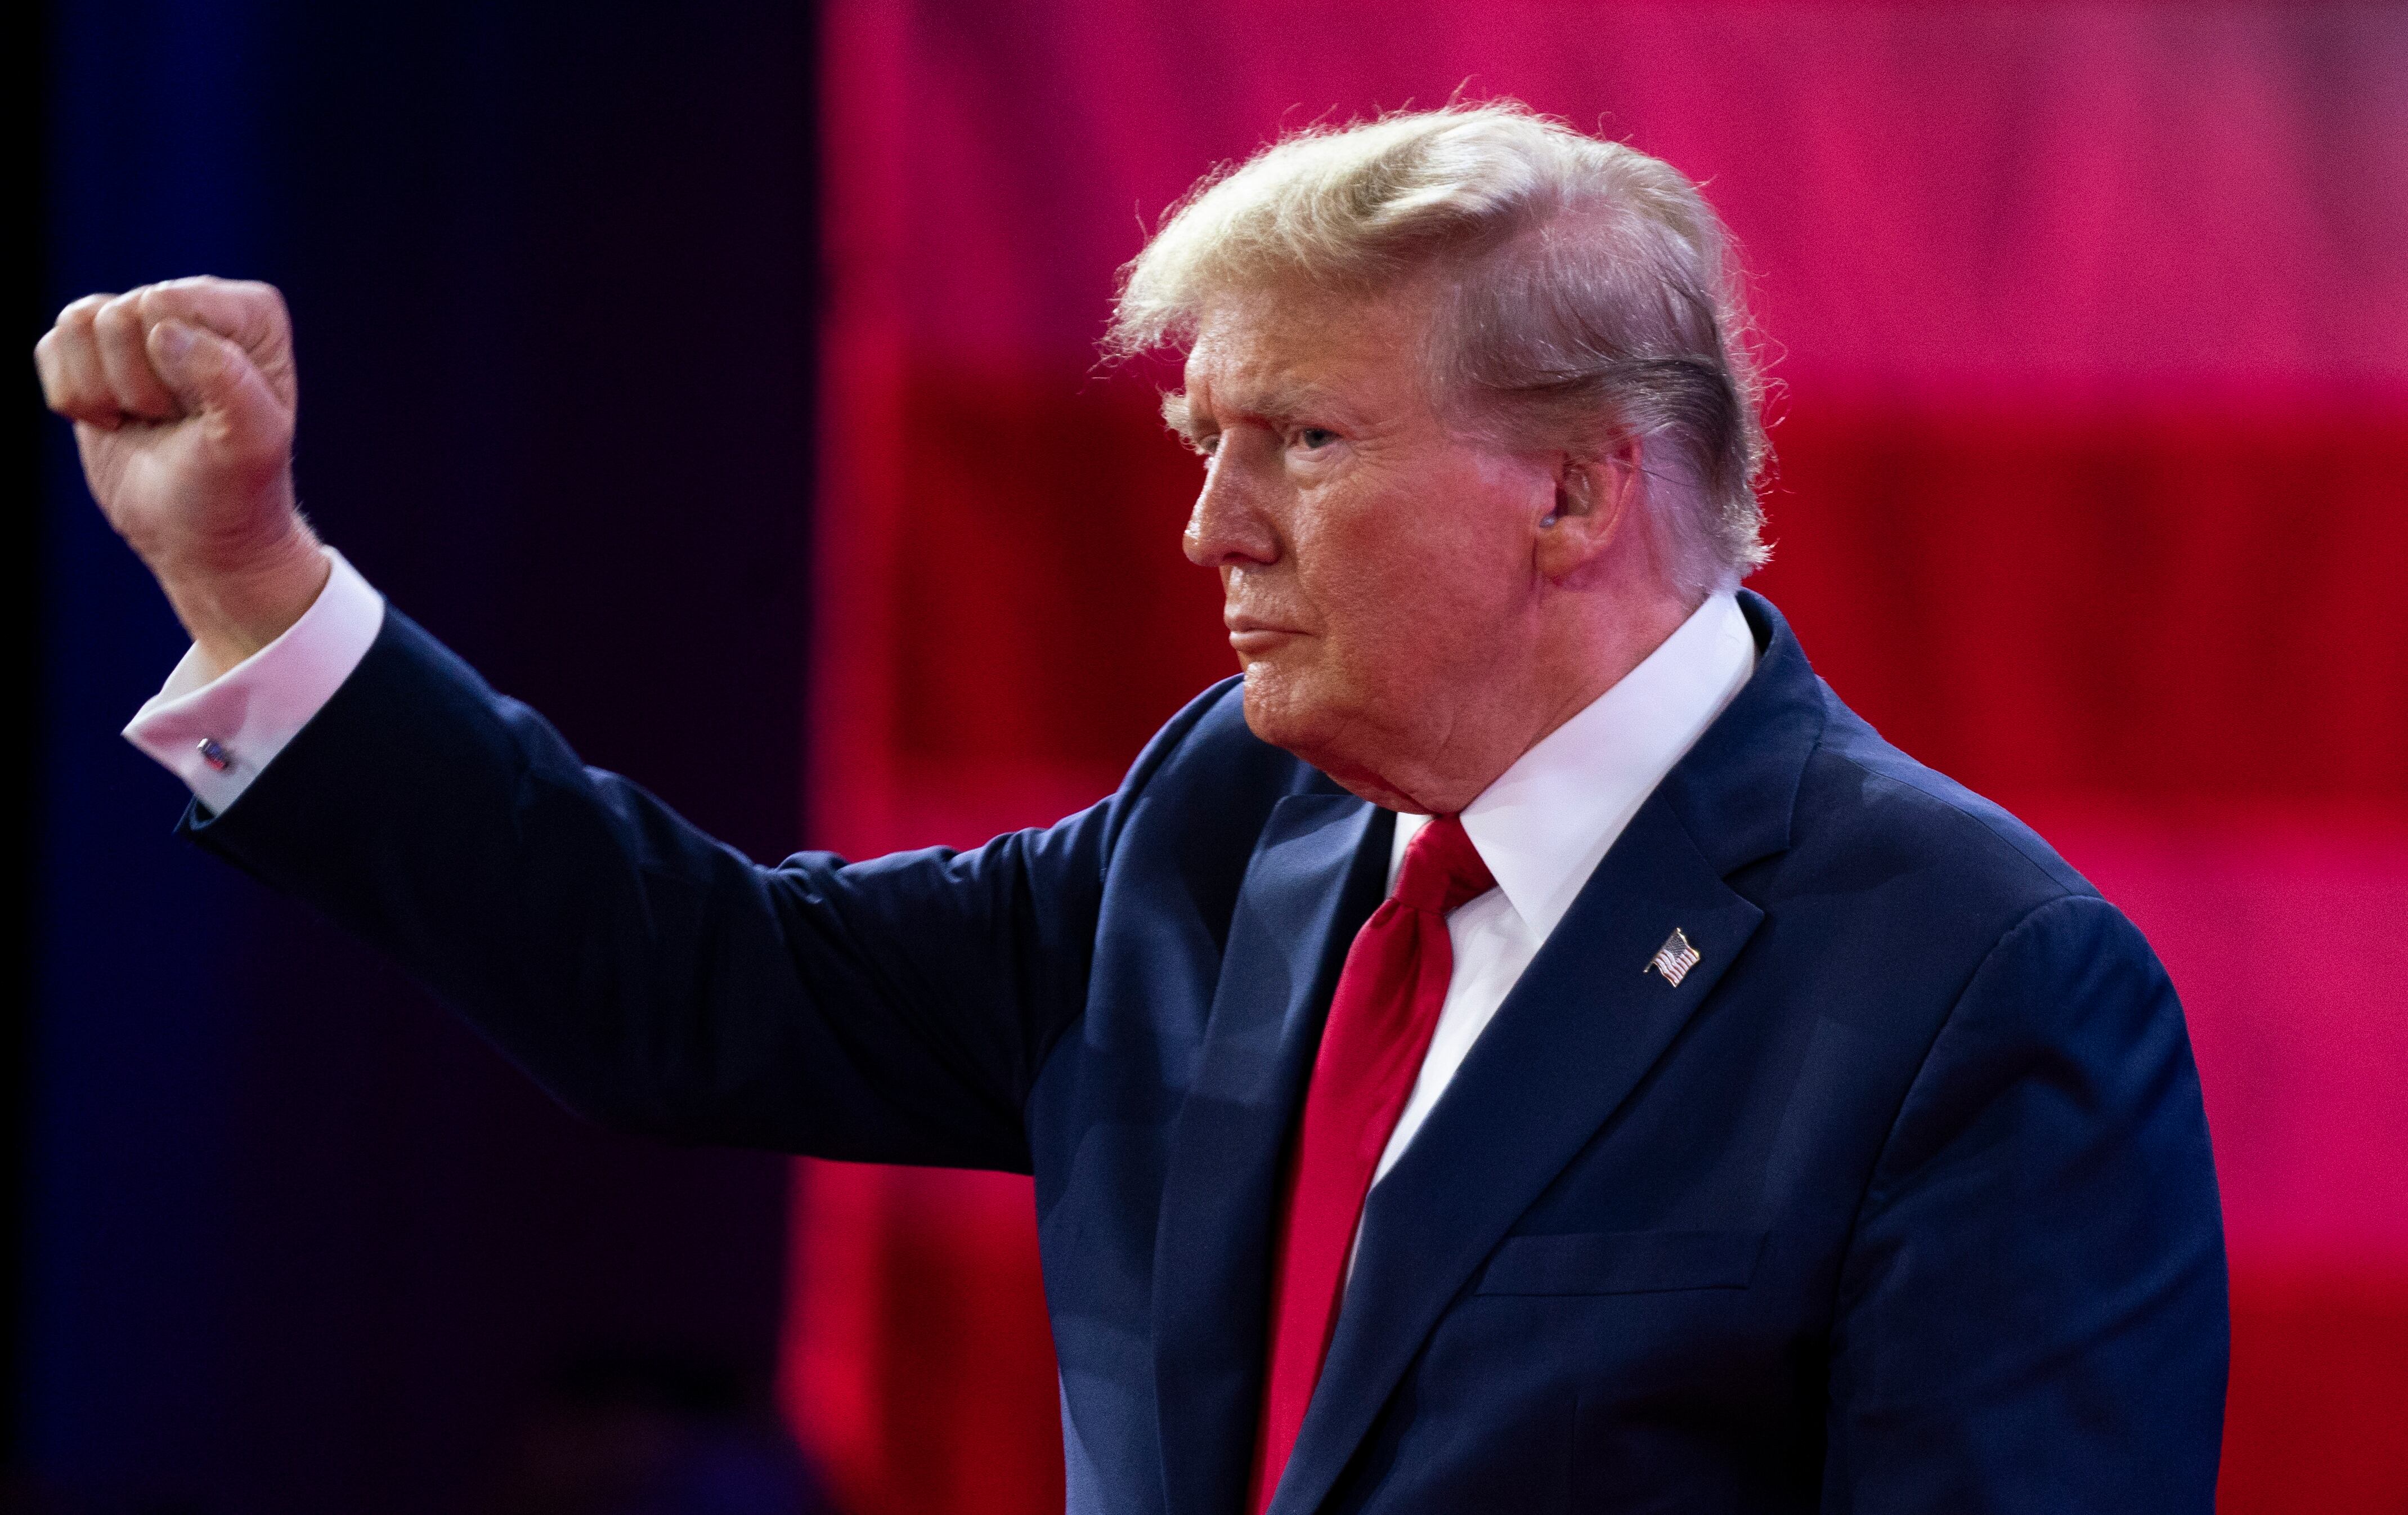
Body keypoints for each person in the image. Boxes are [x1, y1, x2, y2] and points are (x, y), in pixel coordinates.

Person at [35, 104, 2226, 1514]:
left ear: (1573, 490)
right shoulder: (1226, 830)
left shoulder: (1967, 988)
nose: (1208, 529)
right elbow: (682, 988)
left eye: (1295, 441)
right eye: (1203, 437)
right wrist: (251, 582)